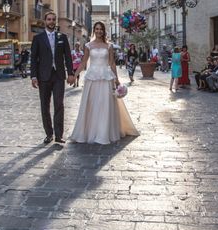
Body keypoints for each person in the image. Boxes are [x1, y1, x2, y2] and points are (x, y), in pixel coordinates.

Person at [69, 22, 138, 144]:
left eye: (101, 29)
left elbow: (111, 63)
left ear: (104, 31)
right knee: (92, 104)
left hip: (106, 78)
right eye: (96, 29)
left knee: (105, 104)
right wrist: (74, 75)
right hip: (92, 78)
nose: (99, 31)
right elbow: (84, 62)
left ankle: (104, 132)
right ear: (94, 30)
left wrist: (116, 79)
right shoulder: (88, 45)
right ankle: (90, 131)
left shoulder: (109, 46)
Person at [30, 11, 74, 144]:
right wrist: (33, 76)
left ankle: (58, 135)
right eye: (49, 19)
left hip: (59, 75)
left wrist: (71, 73)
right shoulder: (38, 38)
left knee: (59, 105)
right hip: (43, 76)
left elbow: (67, 57)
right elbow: (33, 59)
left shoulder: (62, 37)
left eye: (53, 19)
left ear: (55, 21)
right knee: (45, 106)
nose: (51, 21)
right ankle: (49, 134)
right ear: (45, 21)